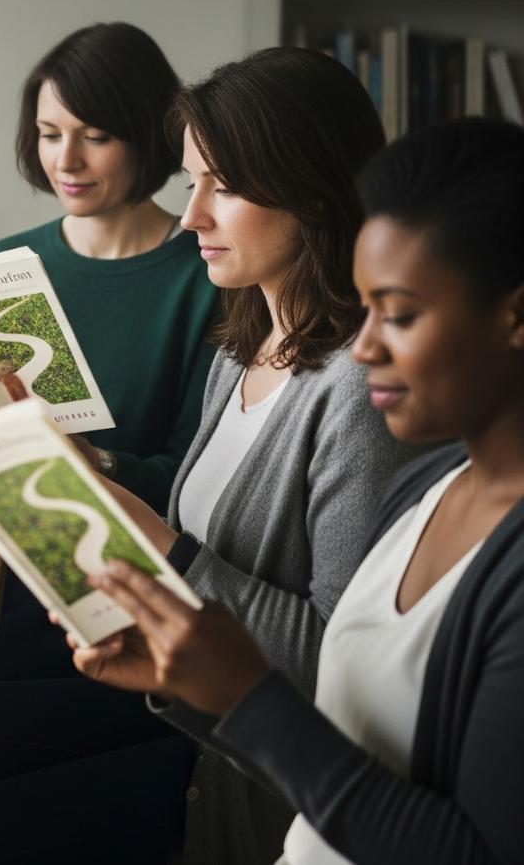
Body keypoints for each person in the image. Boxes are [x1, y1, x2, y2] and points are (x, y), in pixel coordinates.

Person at [0, 47, 421, 862]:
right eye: (191, 183)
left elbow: (339, 659)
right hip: (167, 707)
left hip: (236, 774)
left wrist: (160, 545)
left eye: (226, 187)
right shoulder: (239, 348)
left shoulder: (356, 392)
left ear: (313, 190)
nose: (191, 217)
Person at [72, 117, 524, 863]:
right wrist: (190, 680)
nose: (367, 345)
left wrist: (247, 695)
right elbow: (339, 743)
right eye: (367, 306)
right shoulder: (429, 487)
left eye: (400, 313)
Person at [0, 23, 216, 508]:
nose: (66, 161)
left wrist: (96, 462)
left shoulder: (208, 274)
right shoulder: (3, 265)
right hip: (2, 532)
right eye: (49, 135)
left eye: (95, 137)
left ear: (147, 137)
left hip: (136, 553)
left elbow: (195, 475)